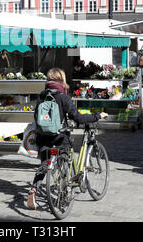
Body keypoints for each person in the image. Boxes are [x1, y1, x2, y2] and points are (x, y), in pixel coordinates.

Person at [27, 68, 108, 210]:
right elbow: (79, 118)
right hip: (59, 137)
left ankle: (33, 189)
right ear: (61, 80)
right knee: (65, 156)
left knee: (45, 164)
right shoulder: (63, 97)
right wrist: (97, 116)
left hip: (42, 137)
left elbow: (36, 117)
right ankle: (64, 194)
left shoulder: (41, 96)